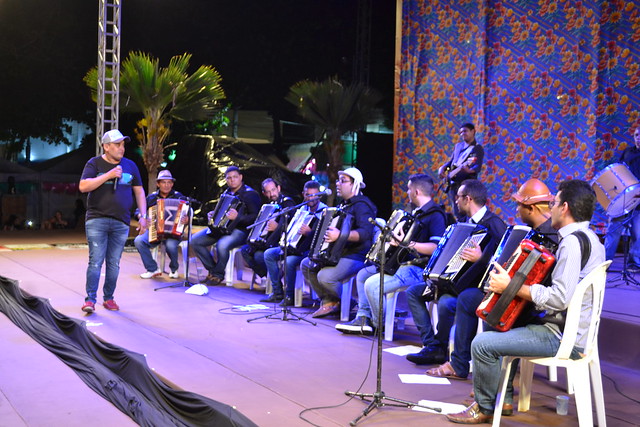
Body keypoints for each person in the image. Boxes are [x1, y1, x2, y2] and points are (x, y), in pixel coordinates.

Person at [446, 179, 606, 424]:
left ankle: (485, 406)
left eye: (553, 203)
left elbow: (559, 298)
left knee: (483, 343)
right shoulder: (591, 237)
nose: (549, 208)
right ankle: (500, 397)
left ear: (564, 208)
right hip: (572, 332)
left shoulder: (572, 243)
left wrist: (512, 286)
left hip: (560, 336)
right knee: (499, 318)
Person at [335, 173, 446, 335]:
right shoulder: (415, 213)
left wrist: (407, 243)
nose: (407, 193)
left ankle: (378, 324)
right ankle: (363, 317)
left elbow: (436, 248)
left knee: (372, 285)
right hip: (402, 264)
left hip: (419, 269)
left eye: (408, 190)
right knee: (363, 275)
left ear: (416, 192)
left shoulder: (435, 215)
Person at [421, 179, 506, 375]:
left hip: (485, 288)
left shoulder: (494, 224)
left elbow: (507, 259)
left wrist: (481, 258)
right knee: (421, 292)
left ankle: (456, 360)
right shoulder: (465, 225)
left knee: (459, 300)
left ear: (468, 199)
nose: (455, 202)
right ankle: (436, 348)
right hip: (465, 285)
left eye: (458, 198)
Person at [79, 129, 147, 313]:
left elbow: (139, 191)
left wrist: (143, 215)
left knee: (114, 262)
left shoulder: (131, 165)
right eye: (117, 145)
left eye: (123, 145)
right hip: (97, 219)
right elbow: (83, 186)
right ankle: (90, 300)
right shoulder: (94, 163)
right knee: (95, 261)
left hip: (121, 221)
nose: (121, 148)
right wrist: (107, 176)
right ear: (106, 147)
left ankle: (109, 298)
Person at [300, 167, 377, 318]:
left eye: (343, 181)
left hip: (356, 255)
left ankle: (346, 302)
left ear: (355, 184)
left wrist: (340, 236)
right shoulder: (344, 204)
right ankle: (330, 302)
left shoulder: (362, 205)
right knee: (307, 264)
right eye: (338, 181)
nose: (338, 184)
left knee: (325, 276)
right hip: (339, 253)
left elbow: (365, 233)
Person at [191, 166, 261, 286]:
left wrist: (238, 218)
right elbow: (222, 211)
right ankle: (213, 270)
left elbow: (256, 218)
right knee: (195, 241)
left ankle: (217, 275)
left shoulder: (250, 194)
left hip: (240, 231)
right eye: (229, 178)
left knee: (222, 245)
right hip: (222, 228)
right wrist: (214, 214)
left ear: (241, 177)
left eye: (235, 177)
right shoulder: (226, 192)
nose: (232, 180)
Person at [262, 180, 327, 306]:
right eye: (308, 195)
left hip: (309, 251)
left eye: (314, 195)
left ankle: (289, 296)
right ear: (303, 194)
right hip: (295, 247)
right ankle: (277, 292)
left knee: (290, 261)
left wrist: (310, 232)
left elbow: (322, 238)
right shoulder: (301, 209)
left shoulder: (324, 211)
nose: (311, 198)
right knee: (268, 254)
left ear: (319, 195)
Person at [240, 178, 295, 294]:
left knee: (260, 256)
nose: (272, 194)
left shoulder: (287, 202)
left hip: (281, 242)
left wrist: (278, 227)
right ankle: (269, 276)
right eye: (268, 192)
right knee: (245, 250)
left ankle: (276, 286)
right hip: (268, 242)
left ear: (278, 188)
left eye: (273, 190)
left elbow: (293, 225)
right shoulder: (268, 206)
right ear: (264, 193)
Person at [134, 170, 188, 279]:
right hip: (155, 231)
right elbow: (138, 211)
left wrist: (187, 218)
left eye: (169, 182)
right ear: (158, 184)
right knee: (139, 241)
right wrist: (142, 217)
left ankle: (174, 268)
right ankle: (152, 269)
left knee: (170, 245)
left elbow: (188, 212)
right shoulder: (152, 198)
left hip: (173, 232)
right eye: (163, 182)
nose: (167, 185)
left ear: (172, 184)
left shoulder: (179, 197)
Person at [604, 127, 640, 272]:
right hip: (624, 199)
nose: (639, 138)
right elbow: (619, 172)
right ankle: (605, 262)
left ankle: (634, 264)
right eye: (637, 135)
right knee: (613, 230)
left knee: (638, 234)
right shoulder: (628, 153)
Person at [438, 123, 484, 221]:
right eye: (461, 132)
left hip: (466, 186)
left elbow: (477, 167)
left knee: (467, 212)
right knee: (457, 212)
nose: (463, 134)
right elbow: (451, 162)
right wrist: (443, 167)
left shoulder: (477, 149)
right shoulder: (458, 146)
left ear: (473, 131)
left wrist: (469, 170)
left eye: (465, 131)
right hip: (453, 184)